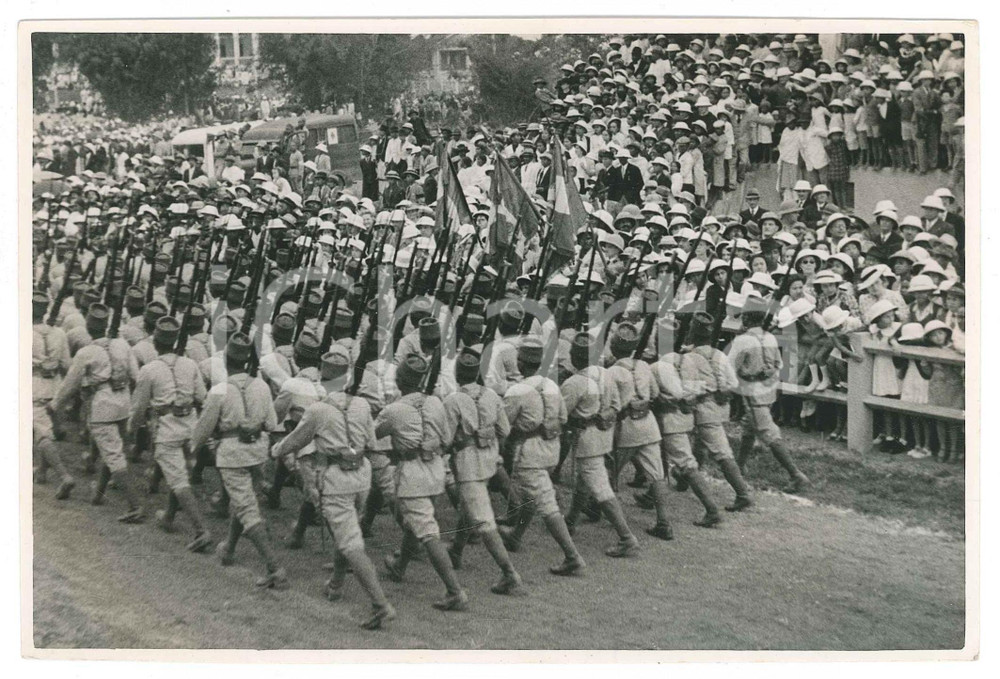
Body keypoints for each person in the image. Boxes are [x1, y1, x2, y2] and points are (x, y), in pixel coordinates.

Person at [271, 349, 397, 630]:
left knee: (351, 542)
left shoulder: (319, 410)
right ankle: (336, 584)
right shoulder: (362, 405)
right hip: (362, 473)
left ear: (322, 379)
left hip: (337, 477)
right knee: (348, 530)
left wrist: (277, 448)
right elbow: (371, 440)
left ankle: (380, 604)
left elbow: (296, 439)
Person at [188, 332, 287, 589]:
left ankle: (274, 567)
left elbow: (203, 429)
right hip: (258, 452)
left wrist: (192, 449)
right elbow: (272, 423)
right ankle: (229, 549)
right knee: (244, 501)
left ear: (226, 362)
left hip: (232, 453)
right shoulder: (262, 385)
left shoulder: (220, 390)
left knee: (246, 508)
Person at [377, 354, 469, 612]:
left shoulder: (394, 410)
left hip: (413, 473)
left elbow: (371, 434)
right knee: (417, 523)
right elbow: (447, 437)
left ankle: (454, 590)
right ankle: (399, 566)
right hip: (436, 470)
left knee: (427, 532)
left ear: (399, 380)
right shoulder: (436, 402)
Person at [442, 349, 526, 593]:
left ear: (458, 374)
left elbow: (446, 439)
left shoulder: (453, 400)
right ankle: (456, 550)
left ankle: (509, 573)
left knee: (484, 521)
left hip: (468, 463)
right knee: (472, 505)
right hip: (489, 460)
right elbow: (505, 430)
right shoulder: (491, 395)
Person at [51, 303, 145, 522]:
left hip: (102, 405)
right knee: (113, 448)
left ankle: (135, 505)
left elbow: (70, 384)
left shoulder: (87, 351)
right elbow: (136, 375)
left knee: (113, 454)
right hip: (123, 401)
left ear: (89, 329)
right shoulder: (122, 345)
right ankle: (98, 493)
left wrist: (55, 404)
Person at [500, 338, 585, 576]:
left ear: (520, 363)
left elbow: (504, 426)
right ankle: (515, 536)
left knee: (546, 503)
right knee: (532, 494)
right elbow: (564, 418)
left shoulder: (517, 390)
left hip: (529, 450)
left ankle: (572, 555)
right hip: (552, 447)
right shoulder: (552, 385)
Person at [128, 316, 212, 552]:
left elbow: (138, 407)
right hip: (191, 425)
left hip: (167, 426)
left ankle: (201, 530)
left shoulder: (149, 369)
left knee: (178, 480)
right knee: (181, 472)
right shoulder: (190, 364)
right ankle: (168, 517)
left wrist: (131, 431)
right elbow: (202, 397)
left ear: (155, 341)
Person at [729, 297, 811, 492]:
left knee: (768, 433)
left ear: (747, 319)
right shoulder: (770, 337)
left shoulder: (743, 340)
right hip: (769, 390)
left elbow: (729, 368)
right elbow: (778, 366)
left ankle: (796, 474)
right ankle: (740, 466)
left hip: (752, 391)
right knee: (749, 428)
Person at [32, 291, 75, 500]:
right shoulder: (58, 333)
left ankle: (64, 475)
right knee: (46, 429)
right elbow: (67, 365)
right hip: (56, 387)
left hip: (34, 386)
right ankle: (41, 471)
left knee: (42, 435)